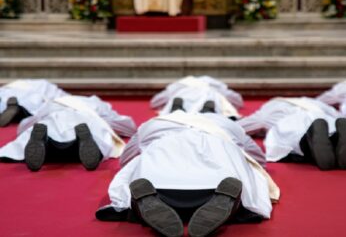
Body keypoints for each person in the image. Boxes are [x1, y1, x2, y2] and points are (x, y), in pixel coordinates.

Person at [96, 111, 279, 237]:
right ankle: (229, 204)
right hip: (217, 176)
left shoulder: (154, 124)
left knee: (135, 171)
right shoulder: (226, 125)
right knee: (242, 174)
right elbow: (258, 158)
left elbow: (125, 159)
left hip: (159, 181)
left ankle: (144, 203)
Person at [0, 95, 135, 171]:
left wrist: (22, 130)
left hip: (53, 117)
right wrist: (128, 129)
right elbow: (120, 123)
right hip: (85, 118)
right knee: (98, 136)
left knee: (48, 132)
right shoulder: (94, 103)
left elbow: (29, 122)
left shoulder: (53, 102)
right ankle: (81, 143)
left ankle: (47, 143)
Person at [238, 97, 346, 171]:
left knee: (294, 140)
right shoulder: (315, 103)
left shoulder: (272, 106)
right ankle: (336, 139)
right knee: (331, 130)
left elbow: (246, 126)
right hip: (323, 117)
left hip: (290, 122)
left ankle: (311, 142)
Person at [151, 76, 243, 119]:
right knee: (215, 102)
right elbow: (235, 98)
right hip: (208, 93)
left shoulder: (182, 82)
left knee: (181, 100)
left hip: (183, 93)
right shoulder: (211, 82)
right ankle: (209, 113)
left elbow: (156, 101)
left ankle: (177, 112)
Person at [0, 79, 67, 127]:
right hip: (38, 98)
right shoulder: (46, 85)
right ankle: (19, 110)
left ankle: (18, 110)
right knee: (33, 109)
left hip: (11, 91)